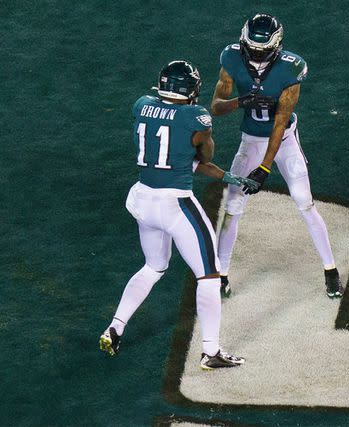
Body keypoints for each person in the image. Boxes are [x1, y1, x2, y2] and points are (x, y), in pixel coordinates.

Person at [99, 60, 257, 369]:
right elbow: (203, 155)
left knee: (154, 267)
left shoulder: (142, 106)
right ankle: (211, 351)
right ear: (191, 91)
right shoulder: (195, 117)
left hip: (144, 199)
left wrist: (228, 177)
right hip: (174, 204)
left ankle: (115, 328)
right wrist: (204, 141)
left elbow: (177, 157)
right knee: (210, 276)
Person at [210, 13, 344, 299]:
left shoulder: (291, 69)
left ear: (277, 47)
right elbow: (216, 107)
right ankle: (221, 274)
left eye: (263, 51)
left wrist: (265, 168)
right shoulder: (231, 58)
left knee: (304, 201)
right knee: (233, 204)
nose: (257, 57)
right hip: (250, 139)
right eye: (253, 50)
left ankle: (330, 269)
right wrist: (241, 101)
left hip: (283, 142)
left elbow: (280, 123)